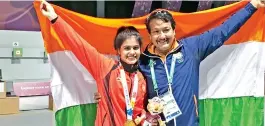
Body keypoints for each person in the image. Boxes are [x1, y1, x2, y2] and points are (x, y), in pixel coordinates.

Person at [95, 0, 265, 126]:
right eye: (156, 32)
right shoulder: (144, 60)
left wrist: (253, 6)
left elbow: (223, 31)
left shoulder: (191, 48)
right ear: (150, 35)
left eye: (166, 30)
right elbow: (127, 83)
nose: (162, 36)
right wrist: (106, 91)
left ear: (174, 30)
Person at [40, 1, 153, 126]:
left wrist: (143, 115)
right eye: (127, 48)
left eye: (135, 48)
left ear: (140, 49)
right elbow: (78, 45)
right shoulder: (105, 67)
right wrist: (54, 18)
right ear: (118, 50)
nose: (132, 52)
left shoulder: (141, 77)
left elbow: (138, 109)